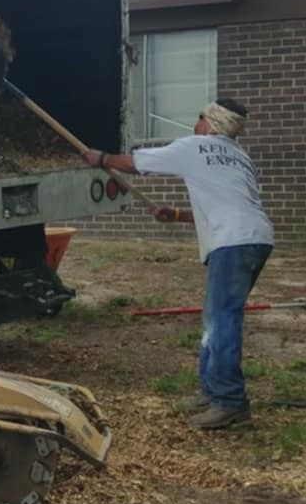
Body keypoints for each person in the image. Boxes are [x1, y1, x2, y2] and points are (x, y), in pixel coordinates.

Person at [83, 98, 274, 430]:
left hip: (233, 241)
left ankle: (230, 403)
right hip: (254, 237)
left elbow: (135, 163)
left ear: (212, 123)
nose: (195, 123)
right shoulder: (239, 156)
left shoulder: (196, 147)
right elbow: (229, 203)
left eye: (199, 117)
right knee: (216, 318)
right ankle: (212, 391)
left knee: (222, 322)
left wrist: (100, 158)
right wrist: (178, 215)